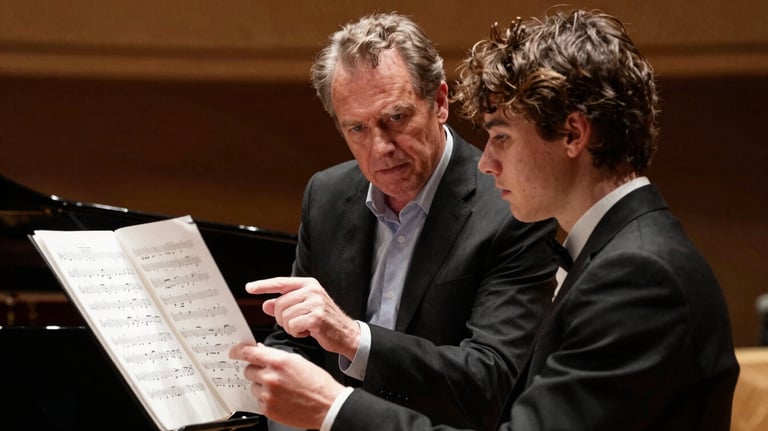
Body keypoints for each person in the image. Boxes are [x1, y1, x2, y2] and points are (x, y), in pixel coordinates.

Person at [230, 8, 740, 431]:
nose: (488, 161)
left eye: (501, 137)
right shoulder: (619, 254)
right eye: (357, 128)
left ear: (572, 135)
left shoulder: (638, 276)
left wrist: (334, 409)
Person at [245, 12, 558, 431]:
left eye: (395, 119)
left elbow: (489, 381)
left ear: (441, 102)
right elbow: (293, 343)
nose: (380, 148)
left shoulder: (511, 208)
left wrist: (354, 339)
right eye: (357, 128)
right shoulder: (327, 194)